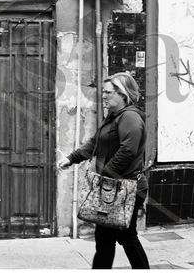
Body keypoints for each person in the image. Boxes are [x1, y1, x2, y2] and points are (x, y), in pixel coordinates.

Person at [57, 72, 150, 269]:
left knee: (119, 237)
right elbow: (95, 143)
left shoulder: (130, 117)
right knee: (112, 237)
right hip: (114, 187)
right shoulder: (114, 116)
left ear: (122, 94)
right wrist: (72, 158)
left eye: (108, 92)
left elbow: (128, 150)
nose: (103, 96)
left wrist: (105, 174)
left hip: (126, 188)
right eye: (104, 92)